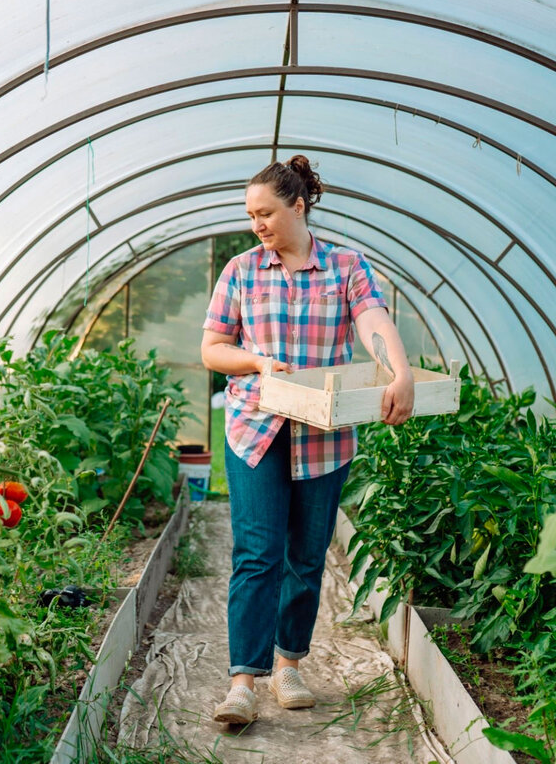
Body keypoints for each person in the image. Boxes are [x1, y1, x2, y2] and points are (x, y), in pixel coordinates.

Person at [201, 155, 415, 725]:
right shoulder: (242, 271)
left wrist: (401, 373)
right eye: (250, 215)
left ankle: (289, 664)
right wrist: (255, 362)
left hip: (323, 433)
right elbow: (212, 349)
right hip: (256, 429)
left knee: (306, 555)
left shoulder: (345, 267)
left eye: (266, 212)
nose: (257, 224)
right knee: (257, 552)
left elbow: (372, 320)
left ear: (298, 205)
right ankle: (243, 681)